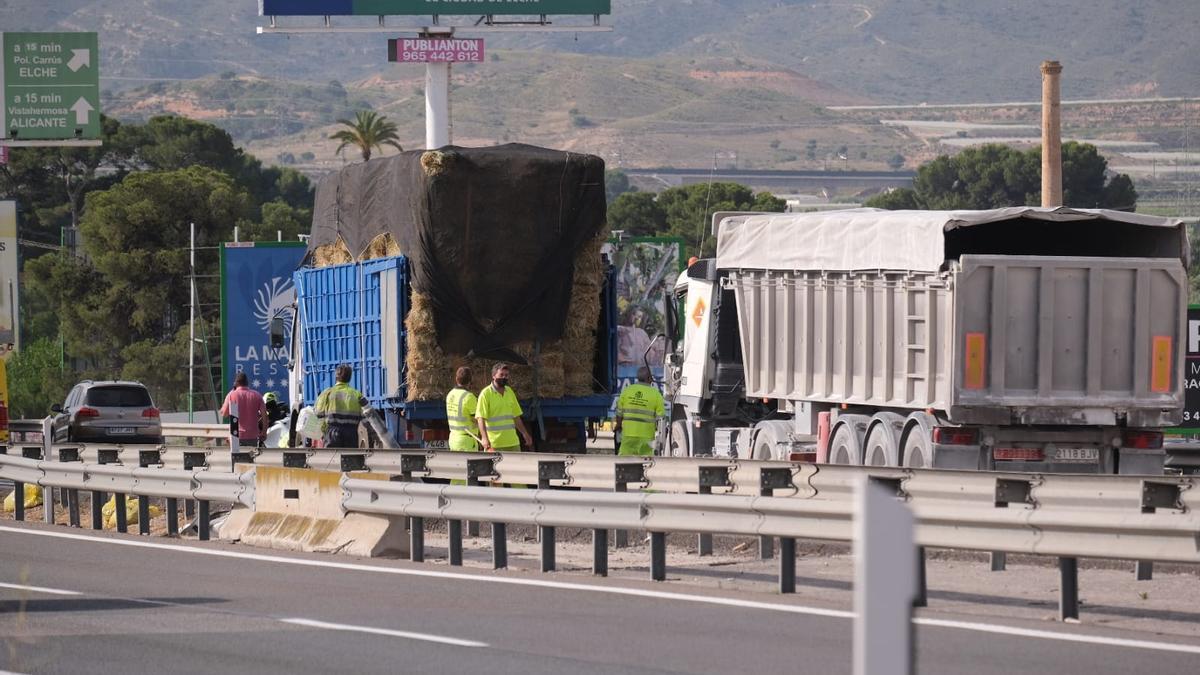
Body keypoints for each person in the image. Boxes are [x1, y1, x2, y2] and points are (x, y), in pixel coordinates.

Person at [475, 362, 534, 453]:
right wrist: (484, 438)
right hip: (494, 444)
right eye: (501, 375)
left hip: (513, 443)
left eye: (506, 375)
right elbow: (480, 418)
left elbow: (516, 417)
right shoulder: (485, 394)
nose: (504, 377)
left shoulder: (509, 392)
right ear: (493, 376)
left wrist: (525, 434)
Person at [615, 366, 665, 456]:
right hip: (647, 436)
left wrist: (618, 426)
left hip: (628, 434)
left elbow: (619, 412)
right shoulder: (656, 394)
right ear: (649, 378)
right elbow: (661, 418)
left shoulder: (627, 390)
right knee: (645, 461)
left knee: (624, 460)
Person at [315, 364, 367, 448]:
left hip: (332, 434)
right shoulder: (357, 394)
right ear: (349, 378)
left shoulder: (327, 393)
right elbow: (366, 419)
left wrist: (323, 430)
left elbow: (318, 414)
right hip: (351, 434)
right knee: (350, 459)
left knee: (332, 459)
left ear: (336, 377)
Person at [219, 371, 268, 452]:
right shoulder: (257, 395)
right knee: (250, 461)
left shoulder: (232, 395)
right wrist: (264, 432)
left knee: (237, 461)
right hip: (252, 436)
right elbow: (264, 416)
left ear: (236, 383)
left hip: (236, 436)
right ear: (247, 382)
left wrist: (231, 392)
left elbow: (224, 414)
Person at [445, 366, 480, 452]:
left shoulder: (450, 395)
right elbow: (476, 420)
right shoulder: (469, 397)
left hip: (453, 438)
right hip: (466, 440)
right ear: (470, 381)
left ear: (456, 379)